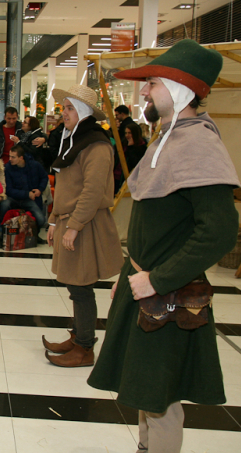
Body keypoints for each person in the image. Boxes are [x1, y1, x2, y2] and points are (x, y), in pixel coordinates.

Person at [88, 40, 241, 452]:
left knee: (161, 397)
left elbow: (220, 232)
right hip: (147, 283)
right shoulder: (171, 137)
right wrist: (130, 274)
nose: (143, 92)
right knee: (145, 389)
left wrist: (157, 279)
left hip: (166, 292)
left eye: (152, 83)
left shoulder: (197, 144)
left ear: (178, 89)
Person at [42, 84, 124, 368]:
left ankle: (85, 347)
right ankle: (78, 337)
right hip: (71, 220)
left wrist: (74, 225)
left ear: (83, 112)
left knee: (81, 286)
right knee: (75, 284)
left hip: (86, 223)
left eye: (68, 108)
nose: (63, 113)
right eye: (63, 107)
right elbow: (66, 186)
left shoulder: (97, 145)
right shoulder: (75, 141)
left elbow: (92, 191)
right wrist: (54, 220)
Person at [0, 145, 48, 236]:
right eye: (9, 156)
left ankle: (33, 235)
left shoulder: (35, 165)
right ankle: (3, 233)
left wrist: (40, 189)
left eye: (13, 157)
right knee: (4, 204)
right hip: (14, 198)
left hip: (30, 199)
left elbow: (44, 177)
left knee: (41, 220)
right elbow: (8, 190)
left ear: (21, 157)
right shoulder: (8, 168)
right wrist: (27, 194)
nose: (10, 159)